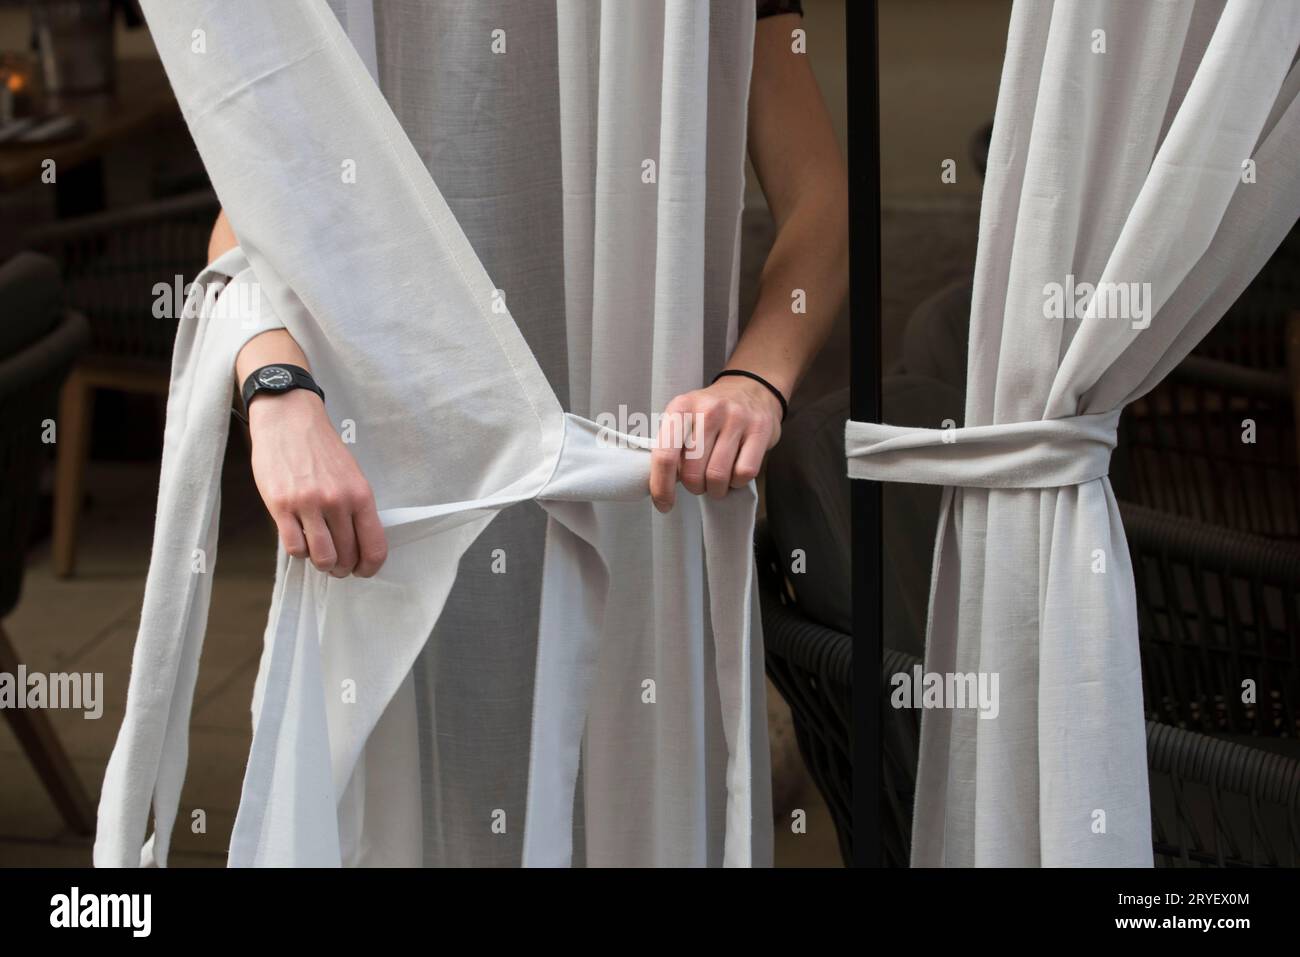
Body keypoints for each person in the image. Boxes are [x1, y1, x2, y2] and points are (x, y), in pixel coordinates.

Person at [206, 0, 847, 580]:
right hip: (399, 470)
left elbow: (823, 203)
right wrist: (278, 394)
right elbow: (249, 220)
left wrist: (755, 381)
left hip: (651, 466)